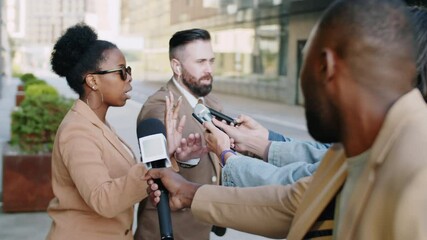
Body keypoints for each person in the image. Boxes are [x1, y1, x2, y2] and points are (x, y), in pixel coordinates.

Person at [146, 0, 427, 239]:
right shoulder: (352, 152)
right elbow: (291, 202)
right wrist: (189, 192)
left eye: (303, 64)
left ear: (326, 67)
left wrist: (226, 155)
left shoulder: (418, 177)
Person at [47, 23, 149, 239]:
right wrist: (153, 168)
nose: (129, 77)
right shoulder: (76, 132)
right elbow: (104, 200)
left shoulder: (97, 123)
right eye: (121, 71)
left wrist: (172, 156)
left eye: (128, 70)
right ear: (93, 81)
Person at [134, 28, 223, 240]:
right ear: (177, 66)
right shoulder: (158, 107)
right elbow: (154, 168)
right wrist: (183, 161)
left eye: (211, 61)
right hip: (168, 230)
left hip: (201, 226)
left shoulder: (212, 104)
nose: (209, 69)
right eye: (201, 62)